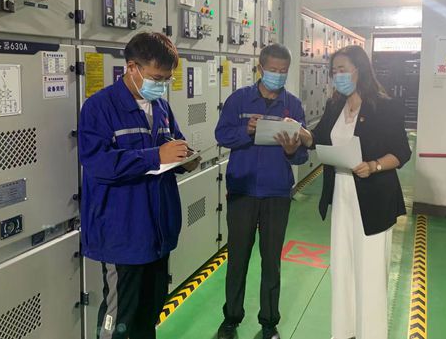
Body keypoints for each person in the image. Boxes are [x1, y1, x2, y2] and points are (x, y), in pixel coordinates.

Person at [78, 32, 200, 339]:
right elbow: (98, 164)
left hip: (157, 232)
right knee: (119, 318)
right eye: (157, 78)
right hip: (123, 234)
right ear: (132, 68)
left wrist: (185, 159)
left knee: (149, 314)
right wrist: (155, 155)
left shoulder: (160, 107)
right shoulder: (99, 107)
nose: (162, 85)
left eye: (167, 79)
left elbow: (173, 146)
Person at [299, 45, 411, 339]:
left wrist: (374, 165)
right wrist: (302, 135)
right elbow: (319, 139)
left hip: (373, 196)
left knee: (370, 271)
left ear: (359, 70)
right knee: (343, 267)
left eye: (343, 70)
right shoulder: (334, 106)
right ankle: (344, 331)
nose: (337, 76)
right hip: (342, 195)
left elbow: (402, 152)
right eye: (334, 71)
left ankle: (370, 333)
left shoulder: (384, 107)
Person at [215, 44, 309, 339]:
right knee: (238, 258)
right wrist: (247, 130)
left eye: (283, 71)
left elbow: (302, 155)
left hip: (277, 192)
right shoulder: (239, 100)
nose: (278, 75)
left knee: (271, 260)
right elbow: (221, 135)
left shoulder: (293, 106)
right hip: (242, 190)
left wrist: (292, 151)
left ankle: (269, 322)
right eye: (273, 70)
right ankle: (231, 318)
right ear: (260, 68)